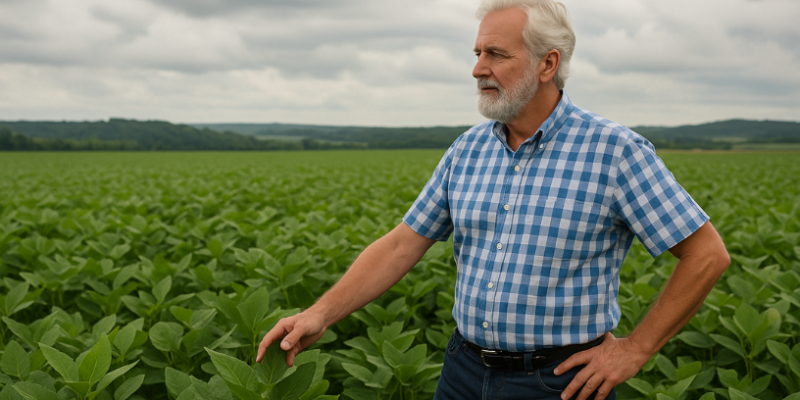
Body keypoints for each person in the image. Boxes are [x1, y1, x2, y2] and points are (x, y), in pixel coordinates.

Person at [257, 0, 731, 399]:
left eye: (496, 54)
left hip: (559, 382)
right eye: (478, 52)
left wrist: (636, 348)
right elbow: (403, 244)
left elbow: (706, 254)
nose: (478, 68)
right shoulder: (467, 149)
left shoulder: (615, 151)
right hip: (462, 371)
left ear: (548, 64)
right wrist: (320, 312)